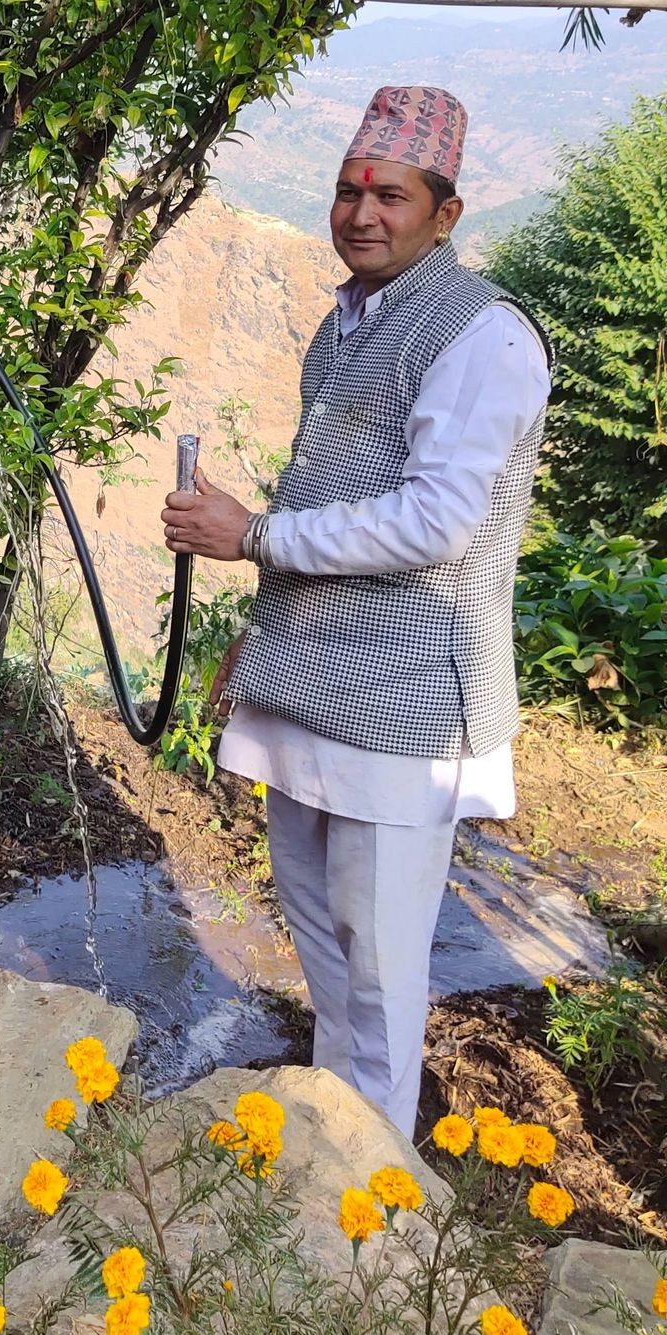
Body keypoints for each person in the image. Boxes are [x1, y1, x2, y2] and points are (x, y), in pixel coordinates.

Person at [162, 85, 550, 1136]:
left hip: (407, 707)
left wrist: (251, 538)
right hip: (313, 682)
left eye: (391, 193)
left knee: (379, 968)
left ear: (447, 211)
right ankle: (333, 1152)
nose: (362, 212)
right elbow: (325, 491)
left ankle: (376, 1196)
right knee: (327, 948)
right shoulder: (347, 324)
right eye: (348, 189)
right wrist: (260, 626)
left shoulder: (484, 337)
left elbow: (436, 524)